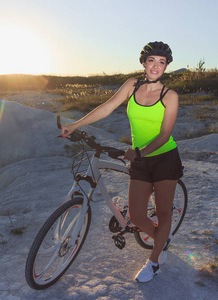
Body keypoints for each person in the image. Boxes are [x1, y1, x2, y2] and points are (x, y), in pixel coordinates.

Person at [61, 41, 183, 283]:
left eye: (161, 62)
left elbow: (165, 134)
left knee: (163, 211)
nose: (156, 66)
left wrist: (140, 153)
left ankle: (155, 261)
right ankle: (162, 237)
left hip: (164, 159)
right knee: (137, 216)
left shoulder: (171, 96)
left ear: (166, 66)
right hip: (140, 159)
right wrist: (74, 125)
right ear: (144, 64)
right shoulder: (131, 85)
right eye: (151, 61)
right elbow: (107, 108)